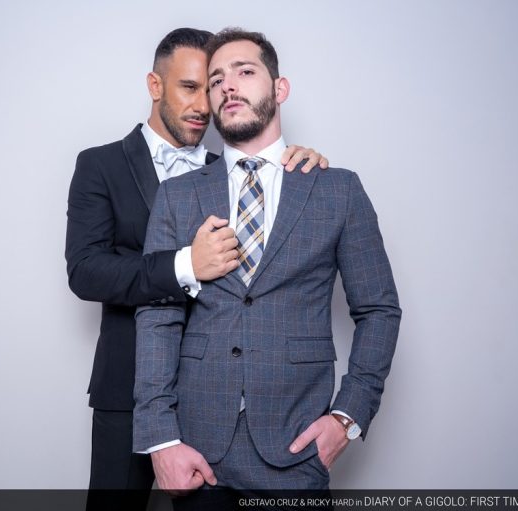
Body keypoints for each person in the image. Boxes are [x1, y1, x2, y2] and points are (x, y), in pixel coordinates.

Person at [133, 27, 401, 502]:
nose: (228, 86)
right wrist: (161, 440)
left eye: (244, 72)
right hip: (197, 449)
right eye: (216, 80)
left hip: (297, 447)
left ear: (280, 89)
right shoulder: (178, 195)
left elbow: (378, 309)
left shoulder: (337, 189)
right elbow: (159, 316)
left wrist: (347, 417)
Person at [65, 27, 328, 502]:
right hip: (129, 388)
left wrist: (299, 167)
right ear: (155, 85)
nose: (204, 106)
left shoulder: (232, 168)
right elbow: (85, 271)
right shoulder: (99, 165)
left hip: (220, 398)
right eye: (189, 87)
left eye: (209, 89)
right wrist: (186, 263)